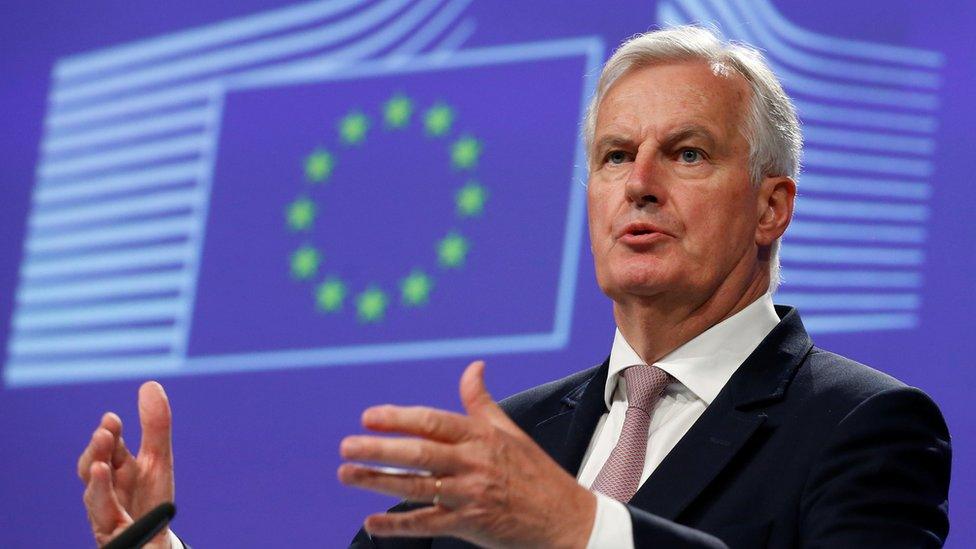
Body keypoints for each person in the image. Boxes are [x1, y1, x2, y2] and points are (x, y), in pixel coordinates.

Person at [77, 26, 951, 548]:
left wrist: (579, 528)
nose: (639, 183)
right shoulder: (505, 446)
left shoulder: (864, 426)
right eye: (615, 156)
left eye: (687, 153)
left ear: (772, 207)